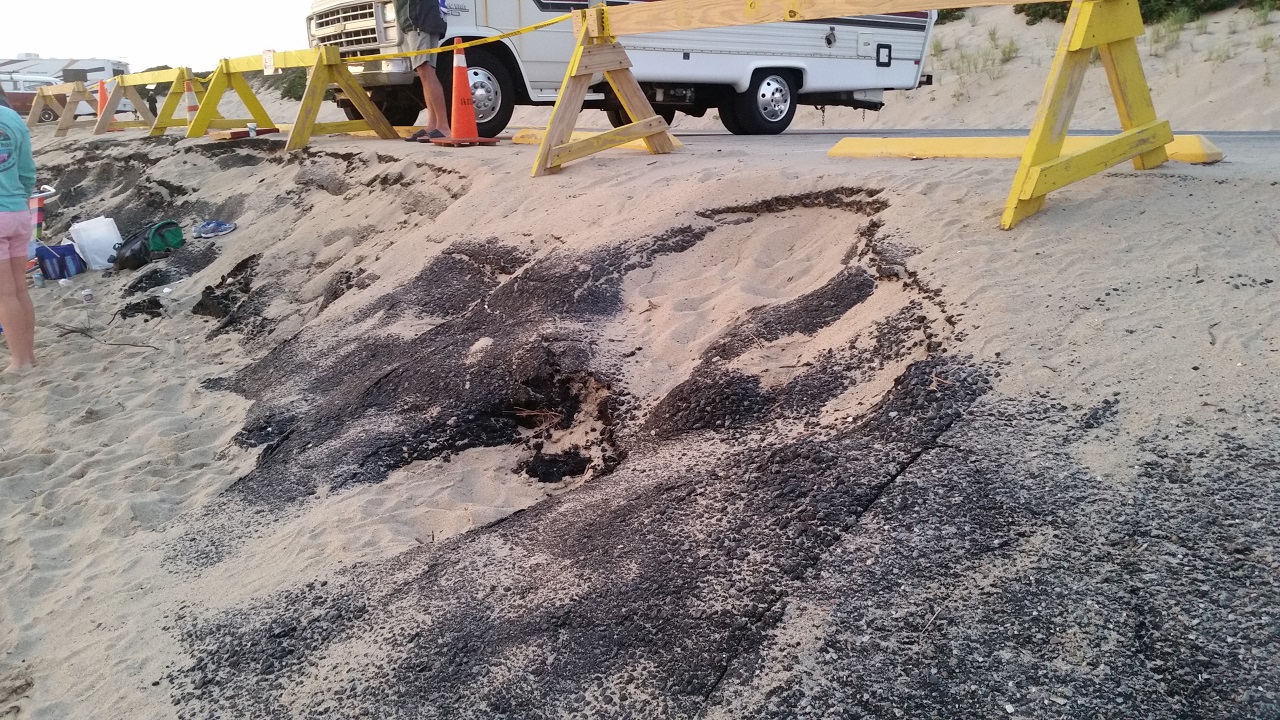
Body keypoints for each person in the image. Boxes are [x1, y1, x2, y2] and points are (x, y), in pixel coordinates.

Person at [0, 84, 38, 373]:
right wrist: (21, 199)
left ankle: (19, 361)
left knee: (4, 294)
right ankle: (29, 355)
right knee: (19, 289)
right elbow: (27, 172)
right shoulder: (12, 118)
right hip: (17, 210)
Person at [394, 0, 451, 141]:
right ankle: (433, 125)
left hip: (418, 19)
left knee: (426, 71)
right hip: (426, 18)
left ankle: (443, 126)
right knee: (426, 72)